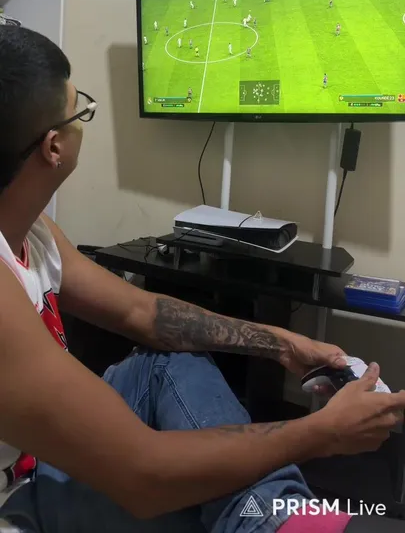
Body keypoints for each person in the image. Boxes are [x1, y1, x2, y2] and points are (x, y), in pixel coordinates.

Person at [0, 26, 403, 533]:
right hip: (18, 496)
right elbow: (143, 473)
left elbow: (143, 313)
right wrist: (322, 432)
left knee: (170, 357)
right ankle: (280, 520)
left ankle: (278, 519)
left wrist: (283, 343)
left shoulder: (31, 228)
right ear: (54, 146)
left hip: (39, 453)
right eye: (80, 109)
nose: (85, 118)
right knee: (182, 484)